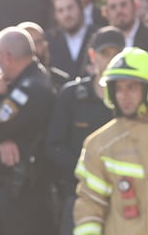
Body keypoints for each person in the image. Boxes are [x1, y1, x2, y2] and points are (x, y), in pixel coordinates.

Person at [73, 47, 148, 235]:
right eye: (118, 88)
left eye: (131, 87)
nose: (123, 95)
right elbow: (90, 207)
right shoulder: (99, 146)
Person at [46, 27, 125, 235]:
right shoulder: (71, 95)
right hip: (79, 196)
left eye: (116, 53)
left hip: (125, 198)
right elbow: (54, 146)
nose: (110, 59)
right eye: (104, 53)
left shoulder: (132, 98)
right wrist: (90, 171)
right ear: (92, 55)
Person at [0, 27, 56, 235]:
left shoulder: (28, 88)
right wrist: (2, 138)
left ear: (8, 57)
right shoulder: (24, 80)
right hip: (11, 190)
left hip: (22, 194)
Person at [49, 0, 95, 80]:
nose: (66, 14)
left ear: (80, 7)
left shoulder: (97, 35)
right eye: (60, 10)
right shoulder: (49, 40)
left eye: (70, 8)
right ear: (55, 15)